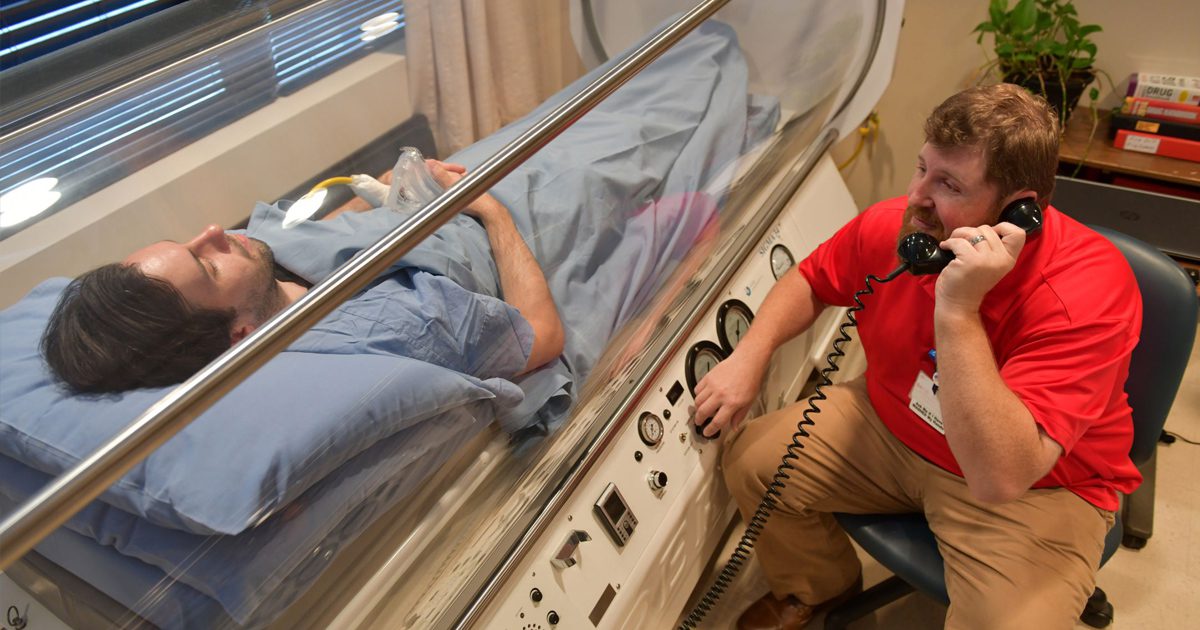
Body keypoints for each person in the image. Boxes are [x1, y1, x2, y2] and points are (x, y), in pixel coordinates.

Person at [693, 84, 1142, 630]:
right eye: (921, 168)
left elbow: (1001, 476)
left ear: (1020, 210)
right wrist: (751, 354)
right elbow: (811, 280)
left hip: (1033, 489)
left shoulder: (1087, 292)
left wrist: (958, 308)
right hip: (890, 425)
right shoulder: (904, 228)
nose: (916, 198)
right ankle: (816, 588)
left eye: (948, 184)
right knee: (753, 462)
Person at [41, 160, 564, 394]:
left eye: (187, 243)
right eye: (206, 261)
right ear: (239, 332)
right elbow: (541, 336)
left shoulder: (267, 272)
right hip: (521, 210)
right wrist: (492, 214)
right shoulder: (394, 326)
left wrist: (382, 195)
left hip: (442, 197)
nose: (213, 231)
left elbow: (327, 246)